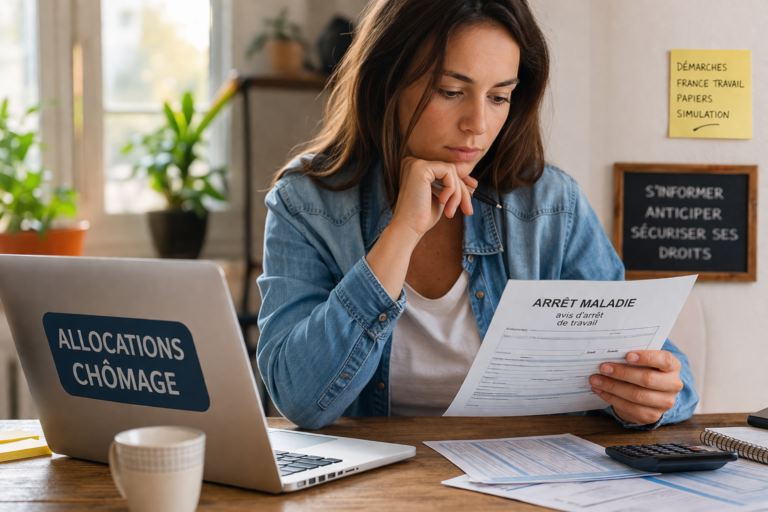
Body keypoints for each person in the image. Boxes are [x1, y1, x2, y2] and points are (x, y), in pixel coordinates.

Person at [256, 0, 698, 430]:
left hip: (525, 475)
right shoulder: (306, 201)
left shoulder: (549, 204)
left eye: (500, 96)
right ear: (386, 81)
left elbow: (669, 378)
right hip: (376, 485)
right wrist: (401, 233)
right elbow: (299, 401)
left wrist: (650, 397)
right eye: (451, 92)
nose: (478, 124)